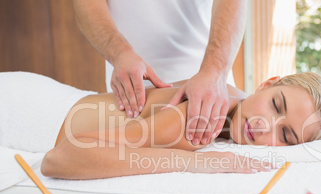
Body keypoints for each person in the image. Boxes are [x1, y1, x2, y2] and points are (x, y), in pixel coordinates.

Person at [35, 72, 321, 180]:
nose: (264, 125)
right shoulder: (201, 118)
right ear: (267, 83)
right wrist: (196, 162)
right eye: (276, 105)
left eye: (285, 134)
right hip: (31, 113)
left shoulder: (230, 105)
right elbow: (58, 158)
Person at [72, 0, 247, 148]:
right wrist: (119, 53)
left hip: (210, 89)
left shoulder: (245, 110)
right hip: (129, 88)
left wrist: (215, 69)